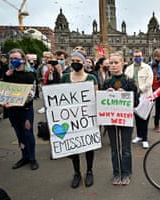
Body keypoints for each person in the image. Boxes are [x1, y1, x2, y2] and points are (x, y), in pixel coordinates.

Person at [60, 50, 98, 188]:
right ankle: (76, 173)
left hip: (86, 117)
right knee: (73, 145)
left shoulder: (91, 78)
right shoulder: (64, 78)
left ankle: (89, 171)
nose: (75, 63)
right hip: (70, 117)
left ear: (83, 62)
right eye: (73, 61)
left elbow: (95, 98)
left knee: (88, 146)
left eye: (78, 61)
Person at [102, 51, 137, 185]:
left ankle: (126, 173)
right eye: (111, 63)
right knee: (114, 148)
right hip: (111, 120)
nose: (113, 65)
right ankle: (116, 173)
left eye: (116, 62)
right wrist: (106, 94)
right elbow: (101, 101)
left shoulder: (129, 81)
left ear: (122, 63)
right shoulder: (107, 82)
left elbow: (137, 102)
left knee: (126, 148)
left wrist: (126, 95)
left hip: (125, 119)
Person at [3, 48, 39, 170]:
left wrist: (14, 103)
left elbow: (30, 96)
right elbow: (3, 91)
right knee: (19, 134)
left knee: (28, 134)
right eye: (11, 59)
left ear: (23, 59)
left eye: (16, 58)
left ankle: (32, 158)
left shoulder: (30, 75)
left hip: (25, 111)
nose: (13, 61)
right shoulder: (8, 74)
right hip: (13, 112)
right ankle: (24, 156)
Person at [125, 50, 153, 149]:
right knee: (137, 117)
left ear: (142, 56)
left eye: (139, 56)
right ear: (133, 57)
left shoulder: (147, 68)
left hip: (145, 96)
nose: (138, 57)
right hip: (134, 96)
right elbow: (126, 81)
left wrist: (140, 89)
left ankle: (145, 139)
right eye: (136, 56)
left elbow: (149, 82)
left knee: (144, 118)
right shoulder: (128, 69)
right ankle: (139, 136)